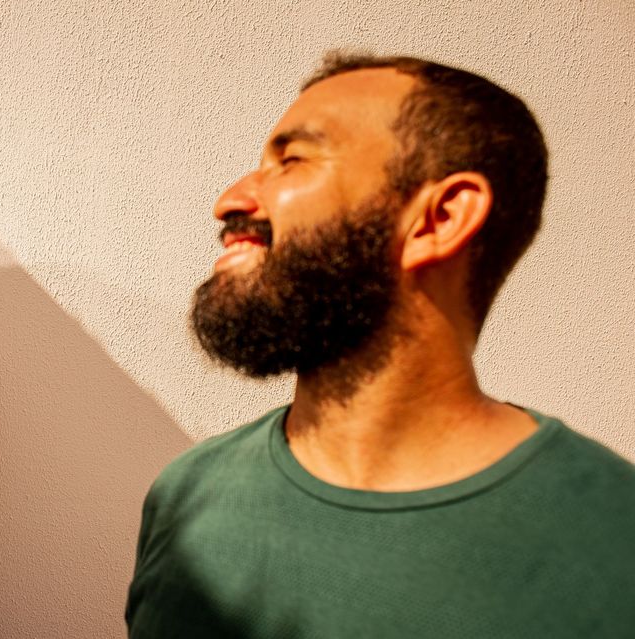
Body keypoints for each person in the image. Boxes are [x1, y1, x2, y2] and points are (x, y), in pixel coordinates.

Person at [126, 53, 635, 637]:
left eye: (292, 161)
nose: (230, 201)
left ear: (440, 219)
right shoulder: (187, 494)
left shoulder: (611, 541)